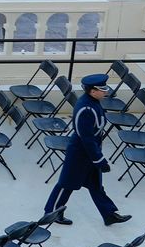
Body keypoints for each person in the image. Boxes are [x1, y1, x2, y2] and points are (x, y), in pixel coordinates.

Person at [43, 73, 132, 227]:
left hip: (90, 153)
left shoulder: (93, 102)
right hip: (80, 153)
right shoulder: (85, 108)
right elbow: (87, 138)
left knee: (96, 186)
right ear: (92, 91)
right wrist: (99, 160)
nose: (105, 92)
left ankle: (109, 214)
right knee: (66, 184)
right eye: (102, 90)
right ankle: (51, 213)